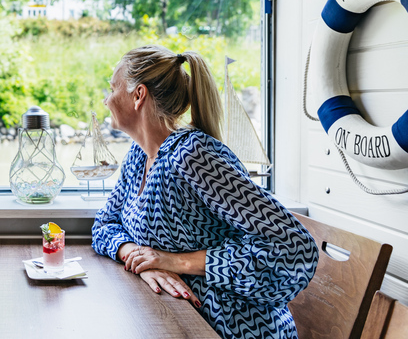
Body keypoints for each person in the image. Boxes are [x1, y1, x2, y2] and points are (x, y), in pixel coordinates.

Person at [92, 45, 318, 339]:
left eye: (112, 88)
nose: (106, 99)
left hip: (232, 327)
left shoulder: (194, 155)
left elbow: (294, 248)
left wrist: (177, 261)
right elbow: (104, 225)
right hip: (176, 320)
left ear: (138, 95)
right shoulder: (138, 156)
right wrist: (138, 258)